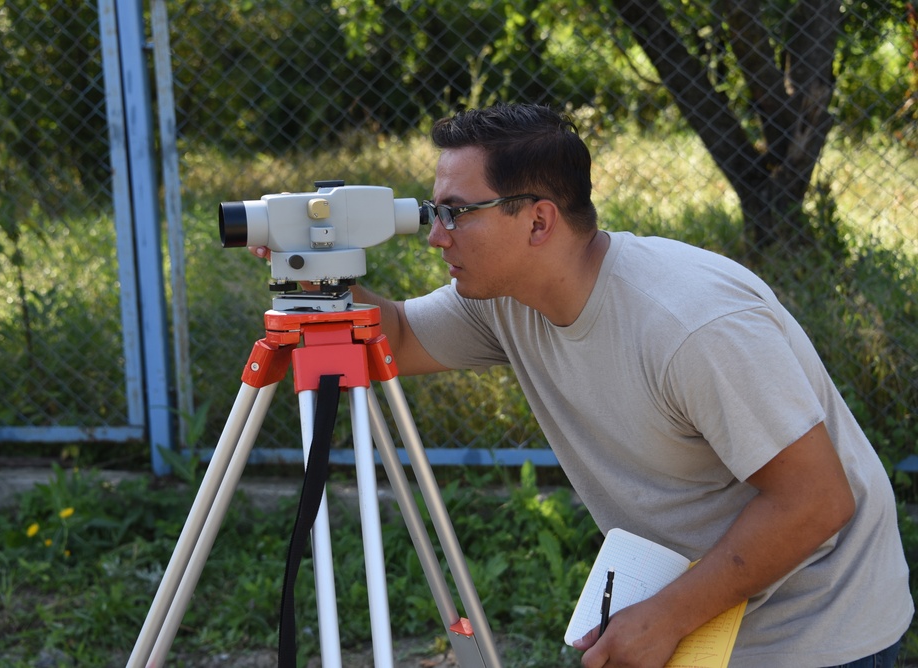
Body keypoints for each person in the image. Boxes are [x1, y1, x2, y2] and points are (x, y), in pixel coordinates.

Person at [253, 103, 913, 667]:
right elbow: (389, 340)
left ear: (538, 222)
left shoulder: (693, 324)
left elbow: (816, 501)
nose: (433, 236)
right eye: (434, 211)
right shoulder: (506, 298)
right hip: (697, 603)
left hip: (816, 625)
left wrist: (666, 617)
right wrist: (319, 275)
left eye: (455, 213)